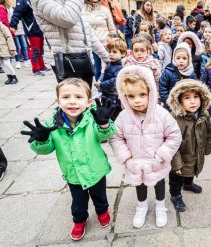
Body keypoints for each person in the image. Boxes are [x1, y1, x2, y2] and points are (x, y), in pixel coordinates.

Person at [21, 78, 116, 241]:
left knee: (100, 196)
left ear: (89, 102)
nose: (72, 102)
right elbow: (46, 149)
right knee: (78, 201)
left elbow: (105, 135)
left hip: (96, 169)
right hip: (73, 173)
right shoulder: (52, 124)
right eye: (66, 97)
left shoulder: (94, 117)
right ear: (58, 101)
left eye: (78, 97)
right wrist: (42, 140)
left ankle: (102, 211)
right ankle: (80, 219)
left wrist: (104, 124)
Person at [109, 66, 181, 229]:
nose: (137, 100)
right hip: (135, 162)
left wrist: (162, 154)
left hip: (157, 161)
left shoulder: (161, 114)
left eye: (142, 94)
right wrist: (126, 157)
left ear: (151, 92)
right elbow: (116, 137)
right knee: (139, 184)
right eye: (131, 96)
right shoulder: (123, 116)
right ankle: (141, 206)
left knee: (159, 183)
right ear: (124, 96)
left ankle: (160, 206)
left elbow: (174, 135)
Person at [30, 0, 109, 87]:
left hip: (84, 59)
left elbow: (87, 33)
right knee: (73, 101)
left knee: (86, 98)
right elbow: (68, 19)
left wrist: (107, 57)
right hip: (66, 60)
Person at [166, 79, 211, 212]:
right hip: (179, 156)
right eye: (187, 98)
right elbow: (170, 143)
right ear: (179, 101)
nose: (193, 101)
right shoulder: (174, 119)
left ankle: (188, 184)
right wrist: (175, 164)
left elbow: (209, 132)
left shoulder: (204, 114)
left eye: (196, 97)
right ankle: (175, 195)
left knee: (192, 169)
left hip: (195, 153)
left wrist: (206, 149)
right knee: (176, 177)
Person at [10, 0, 47, 76]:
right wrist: (13, 25)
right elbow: (17, 13)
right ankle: (35, 69)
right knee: (35, 50)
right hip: (31, 29)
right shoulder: (22, 0)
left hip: (39, 28)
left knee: (40, 49)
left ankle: (42, 66)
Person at [83, 0, 116, 81]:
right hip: (90, 45)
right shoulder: (82, 9)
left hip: (105, 44)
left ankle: (108, 88)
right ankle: (99, 89)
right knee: (97, 69)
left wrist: (112, 40)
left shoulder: (104, 10)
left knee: (108, 68)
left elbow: (112, 28)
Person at [94, 38, 126, 120]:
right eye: (109, 51)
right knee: (105, 111)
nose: (111, 54)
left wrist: (101, 84)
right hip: (106, 93)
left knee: (113, 115)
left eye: (114, 52)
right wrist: (99, 81)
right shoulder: (110, 64)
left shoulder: (120, 67)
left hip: (114, 96)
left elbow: (114, 81)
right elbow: (104, 73)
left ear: (123, 54)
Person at [159, 43, 197, 109]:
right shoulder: (168, 72)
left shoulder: (191, 73)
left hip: (186, 105)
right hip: (170, 105)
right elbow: (163, 88)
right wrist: (168, 101)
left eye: (184, 58)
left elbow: (195, 88)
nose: (181, 61)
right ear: (174, 58)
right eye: (178, 58)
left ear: (189, 59)